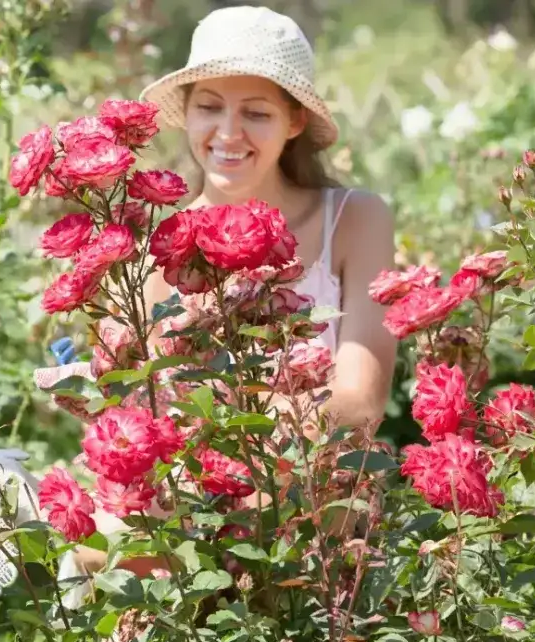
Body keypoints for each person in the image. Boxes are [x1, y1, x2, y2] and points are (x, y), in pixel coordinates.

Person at [51, 5, 400, 584]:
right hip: (193, 520)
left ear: (293, 122)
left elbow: (359, 403)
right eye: (209, 107)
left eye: (256, 113)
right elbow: (143, 422)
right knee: (90, 543)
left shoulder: (355, 220)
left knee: (102, 554)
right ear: (186, 114)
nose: (228, 134)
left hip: (318, 506)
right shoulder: (149, 256)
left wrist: (256, 478)